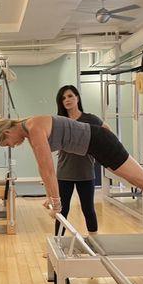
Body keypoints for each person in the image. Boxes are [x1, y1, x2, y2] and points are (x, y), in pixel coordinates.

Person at [0, 115, 143, 243]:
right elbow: (45, 168)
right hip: (97, 144)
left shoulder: (34, 128)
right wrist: (53, 197)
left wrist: (56, 201)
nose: (11, 146)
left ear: (7, 133)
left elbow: (46, 169)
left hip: (100, 143)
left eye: (6, 144)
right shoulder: (30, 129)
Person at [53, 85, 105, 236]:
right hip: (64, 172)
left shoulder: (90, 119)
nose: (67, 100)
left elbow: (107, 133)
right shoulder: (59, 120)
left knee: (88, 208)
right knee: (63, 210)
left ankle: (95, 242)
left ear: (77, 97)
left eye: (70, 96)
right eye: (63, 98)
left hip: (85, 171)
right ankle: (58, 243)